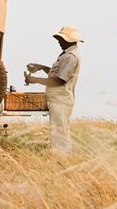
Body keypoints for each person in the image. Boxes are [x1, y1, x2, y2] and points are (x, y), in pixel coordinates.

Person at [24, 26, 82, 154]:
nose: (59, 41)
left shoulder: (70, 56)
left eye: (61, 39)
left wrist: (34, 80)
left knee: (59, 134)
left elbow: (59, 80)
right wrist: (41, 67)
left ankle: (62, 160)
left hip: (61, 99)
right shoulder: (67, 54)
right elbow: (57, 74)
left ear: (68, 40)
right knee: (59, 132)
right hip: (59, 99)